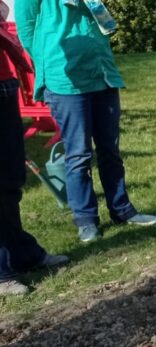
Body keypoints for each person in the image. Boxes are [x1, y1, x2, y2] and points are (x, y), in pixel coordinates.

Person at [15, 0, 156, 243]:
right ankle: (86, 220)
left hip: (101, 72)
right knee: (79, 154)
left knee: (110, 150)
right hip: (65, 78)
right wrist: (47, 62)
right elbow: (26, 30)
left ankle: (122, 210)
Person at [0, 1, 68, 295]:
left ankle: (22, 254)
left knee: (10, 179)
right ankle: (2, 273)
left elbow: (2, 10)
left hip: (4, 82)